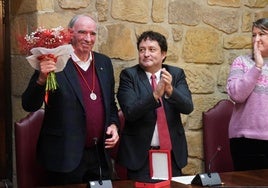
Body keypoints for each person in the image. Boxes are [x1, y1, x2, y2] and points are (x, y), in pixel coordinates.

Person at [21, 14, 120, 185]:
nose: (88, 39)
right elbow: (29, 104)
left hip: (98, 156)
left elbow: (110, 104)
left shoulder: (104, 62)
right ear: (70, 34)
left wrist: (113, 124)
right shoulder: (54, 61)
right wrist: (41, 79)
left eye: (93, 34)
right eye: (83, 32)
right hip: (64, 157)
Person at [116, 30, 194, 181]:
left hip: (171, 154)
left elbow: (188, 107)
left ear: (163, 54)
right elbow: (130, 112)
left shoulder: (176, 74)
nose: (146, 54)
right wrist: (155, 95)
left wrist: (170, 90)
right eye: (142, 50)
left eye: (152, 49)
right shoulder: (129, 76)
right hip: (140, 156)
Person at [227, 18, 268, 171]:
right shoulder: (241, 62)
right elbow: (236, 95)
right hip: (245, 140)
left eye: (262, 34)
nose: (256, 39)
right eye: (253, 35)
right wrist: (257, 67)